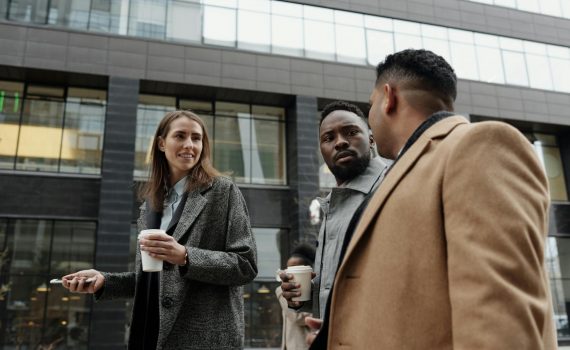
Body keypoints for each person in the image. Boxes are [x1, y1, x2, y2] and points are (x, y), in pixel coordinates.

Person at [309, 49, 557, 349]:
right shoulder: (404, 173)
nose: (371, 117)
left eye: (370, 105)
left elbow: (498, 317)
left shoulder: (480, 146)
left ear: (389, 97)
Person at [61, 110, 258, 349]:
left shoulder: (222, 192)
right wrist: (104, 282)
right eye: (180, 136)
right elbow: (153, 279)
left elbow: (245, 265)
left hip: (204, 340)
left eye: (196, 138)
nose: (189, 145)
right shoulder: (151, 205)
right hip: (150, 335)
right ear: (162, 143)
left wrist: (185, 256)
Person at [279, 101, 387, 319]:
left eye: (351, 132)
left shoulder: (392, 187)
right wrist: (306, 296)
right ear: (322, 150)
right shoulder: (332, 204)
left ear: (371, 138)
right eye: (329, 138)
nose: (340, 142)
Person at [275, 243, 316, 350]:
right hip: (296, 344)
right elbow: (296, 317)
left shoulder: (316, 287)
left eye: (296, 268)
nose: (291, 272)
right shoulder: (283, 290)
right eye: (289, 268)